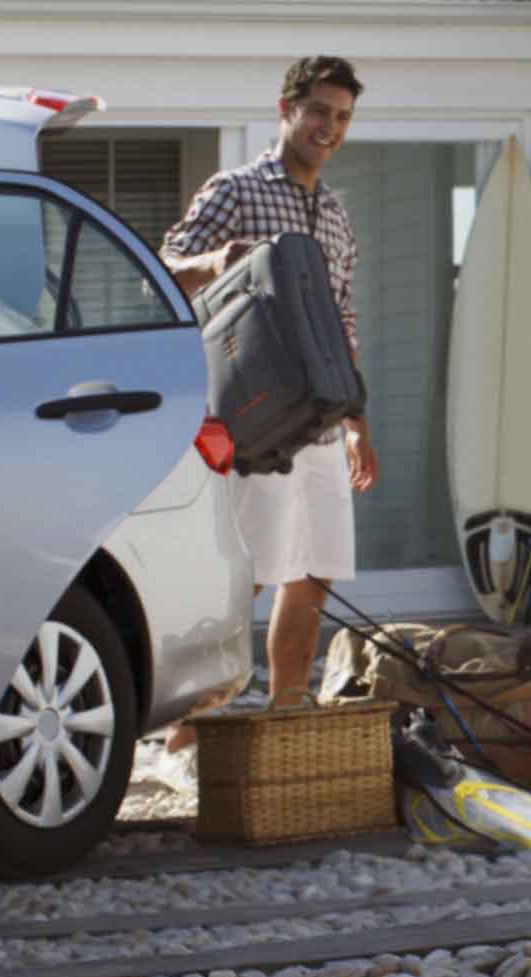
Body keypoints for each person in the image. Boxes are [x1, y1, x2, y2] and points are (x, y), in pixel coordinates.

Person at [160, 55, 378, 749]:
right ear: (286, 108)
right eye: (318, 111)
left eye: (341, 116)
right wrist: (218, 261)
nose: (329, 128)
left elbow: (344, 320)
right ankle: (188, 726)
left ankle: (288, 713)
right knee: (246, 576)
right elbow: (163, 269)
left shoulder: (338, 218)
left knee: (314, 571)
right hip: (256, 419)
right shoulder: (237, 189)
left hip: (321, 422)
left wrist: (357, 422)